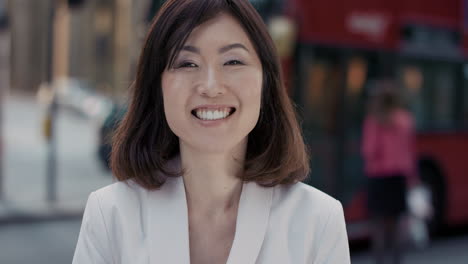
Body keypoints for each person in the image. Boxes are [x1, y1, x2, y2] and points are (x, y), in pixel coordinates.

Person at [72, 0, 350, 263]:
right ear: (157, 87)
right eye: (187, 63)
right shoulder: (110, 215)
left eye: (233, 62)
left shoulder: (319, 221)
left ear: (266, 82)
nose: (211, 86)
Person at [362, 80, 418, 264]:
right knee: (396, 225)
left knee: (378, 227)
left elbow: (369, 151)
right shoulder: (405, 120)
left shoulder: (373, 121)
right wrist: (412, 179)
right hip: (398, 178)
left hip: (378, 177)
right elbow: (408, 153)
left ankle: (379, 260)